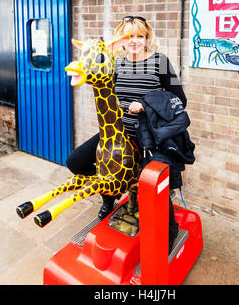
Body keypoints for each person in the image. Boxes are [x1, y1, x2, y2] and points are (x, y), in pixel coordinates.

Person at [66, 16, 187, 251]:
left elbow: (179, 99)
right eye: (129, 36)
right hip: (116, 133)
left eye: (140, 36)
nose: (134, 41)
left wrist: (146, 105)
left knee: (154, 188)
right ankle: (109, 196)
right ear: (121, 39)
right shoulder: (115, 63)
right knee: (75, 162)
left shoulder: (160, 62)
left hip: (148, 136)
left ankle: (169, 235)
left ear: (147, 38)